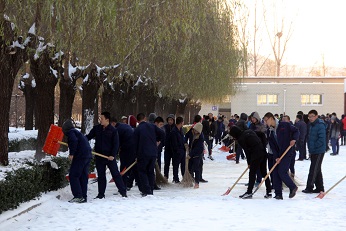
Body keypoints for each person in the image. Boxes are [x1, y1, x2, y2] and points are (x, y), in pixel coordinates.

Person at [86, 111, 127, 198]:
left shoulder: (113, 130)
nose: (100, 120)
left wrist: (113, 155)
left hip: (109, 157)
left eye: (102, 118)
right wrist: (80, 140)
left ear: (107, 120)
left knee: (115, 174)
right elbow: (88, 137)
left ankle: (123, 192)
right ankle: (101, 194)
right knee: (101, 176)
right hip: (99, 156)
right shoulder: (97, 129)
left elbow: (116, 144)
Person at [229, 125, 272, 199]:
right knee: (264, 172)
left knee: (252, 173)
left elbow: (247, 151)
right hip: (263, 152)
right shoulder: (249, 131)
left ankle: (249, 192)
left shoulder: (241, 139)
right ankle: (269, 191)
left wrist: (249, 163)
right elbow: (261, 134)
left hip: (256, 155)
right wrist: (263, 145)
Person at [263, 112, 299, 200]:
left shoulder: (284, 125)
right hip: (278, 154)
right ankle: (278, 194)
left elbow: (296, 131)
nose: (265, 123)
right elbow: (273, 146)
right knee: (275, 173)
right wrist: (276, 157)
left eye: (266, 120)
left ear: (271, 118)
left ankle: (292, 187)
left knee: (282, 171)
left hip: (287, 152)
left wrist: (294, 139)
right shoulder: (270, 131)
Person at [133, 113, 164, 196]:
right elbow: (162, 133)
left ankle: (147, 191)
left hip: (143, 153)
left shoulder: (138, 129)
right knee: (150, 171)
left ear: (138, 121)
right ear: (145, 118)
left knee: (142, 171)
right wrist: (157, 140)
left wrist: (136, 155)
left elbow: (135, 144)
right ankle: (151, 189)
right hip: (153, 153)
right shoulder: (152, 126)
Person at [63, 119, 92, 203]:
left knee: (74, 175)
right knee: (83, 176)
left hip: (80, 156)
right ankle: (83, 196)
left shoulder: (71, 132)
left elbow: (74, 141)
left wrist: (71, 153)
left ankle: (78, 196)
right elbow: (76, 141)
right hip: (87, 155)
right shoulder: (77, 132)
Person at [302, 110, 326, 194]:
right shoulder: (311, 125)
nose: (310, 118)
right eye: (309, 116)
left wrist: (314, 146)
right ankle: (320, 187)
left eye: (312, 116)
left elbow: (322, 139)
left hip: (319, 150)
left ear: (316, 116)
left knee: (313, 169)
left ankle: (309, 187)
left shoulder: (320, 125)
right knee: (317, 169)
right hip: (313, 150)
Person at [110, 117, 136, 191]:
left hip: (127, 149)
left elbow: (117, 143)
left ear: (113, 123)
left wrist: (113, 154)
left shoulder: (117, 130)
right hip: (133, 148)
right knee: (132, 167)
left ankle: (123, 186)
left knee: (124, 167)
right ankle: (130, 184)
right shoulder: (124, 126)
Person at [186, 122, 204, 189]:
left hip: (197, 154)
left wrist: (190, 154)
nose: (195, 131)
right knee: (189, 167)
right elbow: (186, 135)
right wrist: (185, 142)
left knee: (196, 168)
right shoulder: (191, 131)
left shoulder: (201, 137)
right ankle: (190, 180)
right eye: (194, 130)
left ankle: (197, 182)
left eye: (196, 131)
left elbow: (197, 148)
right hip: (191, 151)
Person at [169, 116, 186, 183]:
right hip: (177, 151)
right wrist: (177, 151)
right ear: (181, 122)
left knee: (183, 165)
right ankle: (176, 178)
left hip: (182, 150)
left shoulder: (181, 130)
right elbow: (174, 143)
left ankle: (184, 177)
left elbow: (182, 139)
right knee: (176, 165)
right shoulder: (174, 131)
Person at [163, 114, 175, 179]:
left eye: (171, 120)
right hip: (167, 149)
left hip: (174, 149)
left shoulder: (175, 128)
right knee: (166, 164)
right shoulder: (165, 127)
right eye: (168, 120)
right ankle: (165, 176)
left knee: (174, 164)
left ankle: (175, 177)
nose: (170, 121)